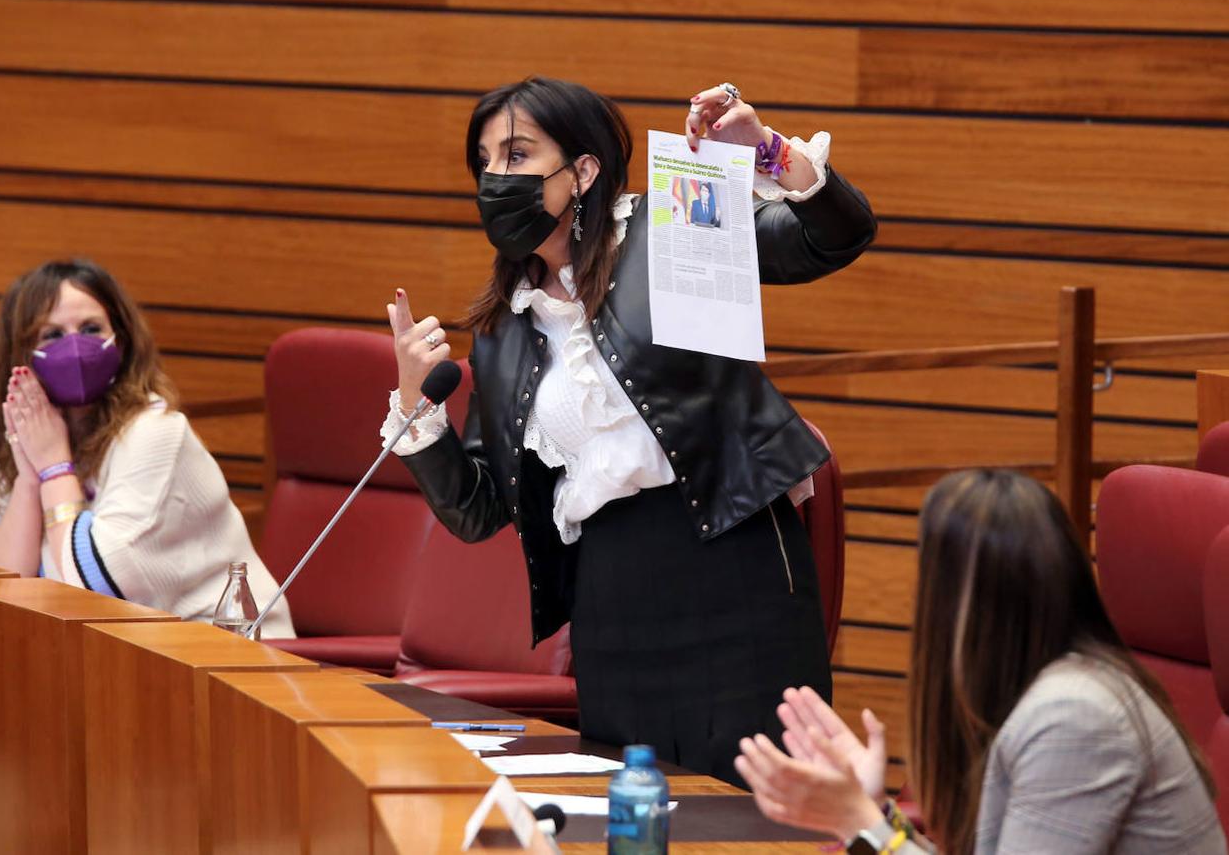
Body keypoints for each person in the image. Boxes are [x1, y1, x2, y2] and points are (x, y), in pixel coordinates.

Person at [381, 76, 875, 785]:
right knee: (637, 815)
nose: (496, 177)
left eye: (517, 154)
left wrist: (765, 153)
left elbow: (837, 237)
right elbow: (480, 509)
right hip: (610, 600)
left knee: (753, 813)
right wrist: (413, 406)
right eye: (484, 161)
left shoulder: (669, 228)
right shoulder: (503, 334)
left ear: (583, 170)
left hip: (731, 568)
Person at [734, 469, 1226, 854]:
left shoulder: (1075, 716)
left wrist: (858, 822)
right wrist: (877, 816)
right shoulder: (1047, 691)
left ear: (958, 605)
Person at [0, 260, 293, 636]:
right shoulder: (36, 431)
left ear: (122, 339)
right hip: (133, 657)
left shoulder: (156, 432)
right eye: (51, 335)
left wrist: (54, 467)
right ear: (20, 356)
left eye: (90, 329)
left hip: (231, 657)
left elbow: (92, 591)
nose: (76, 347)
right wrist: (32, 478)